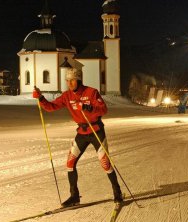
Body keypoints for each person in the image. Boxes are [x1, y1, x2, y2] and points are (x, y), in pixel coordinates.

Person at [32, 68, 123, 207]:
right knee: (70, 163)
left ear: (79, 80)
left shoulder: (91, 92)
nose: (70, 83)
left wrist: (88, 107)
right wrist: (41, 98)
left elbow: (103, 109)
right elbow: (51, 107)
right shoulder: (67, 95)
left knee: (105, 163)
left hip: (96, 130)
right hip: (82, 131)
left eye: (72, 80)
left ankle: (117, 193)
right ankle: (74, 196)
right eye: (67, 81)